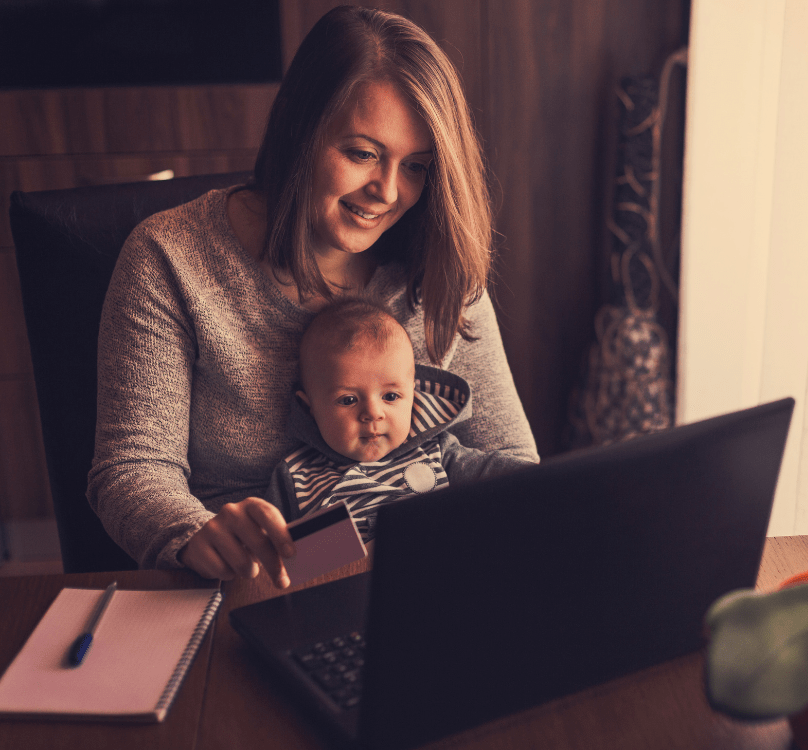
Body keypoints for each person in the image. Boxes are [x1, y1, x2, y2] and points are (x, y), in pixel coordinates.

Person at [88, 6, 538, 588]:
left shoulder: (439, 263)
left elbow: (514, 466)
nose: (388, 192)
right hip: (244, 591)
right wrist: (194, 534)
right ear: (302, 131)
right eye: (362, 153)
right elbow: (132, 472)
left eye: (417, 167)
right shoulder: (170, 257)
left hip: (432, 581)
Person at [268, 298, 534, 547]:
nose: (373, 413)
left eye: (391, 396)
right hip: (347, 590)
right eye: (348, 400)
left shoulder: (437, 452)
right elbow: (266, 560)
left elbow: (504, 477)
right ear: (309, 408)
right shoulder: (295, 477)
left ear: (413, 395)